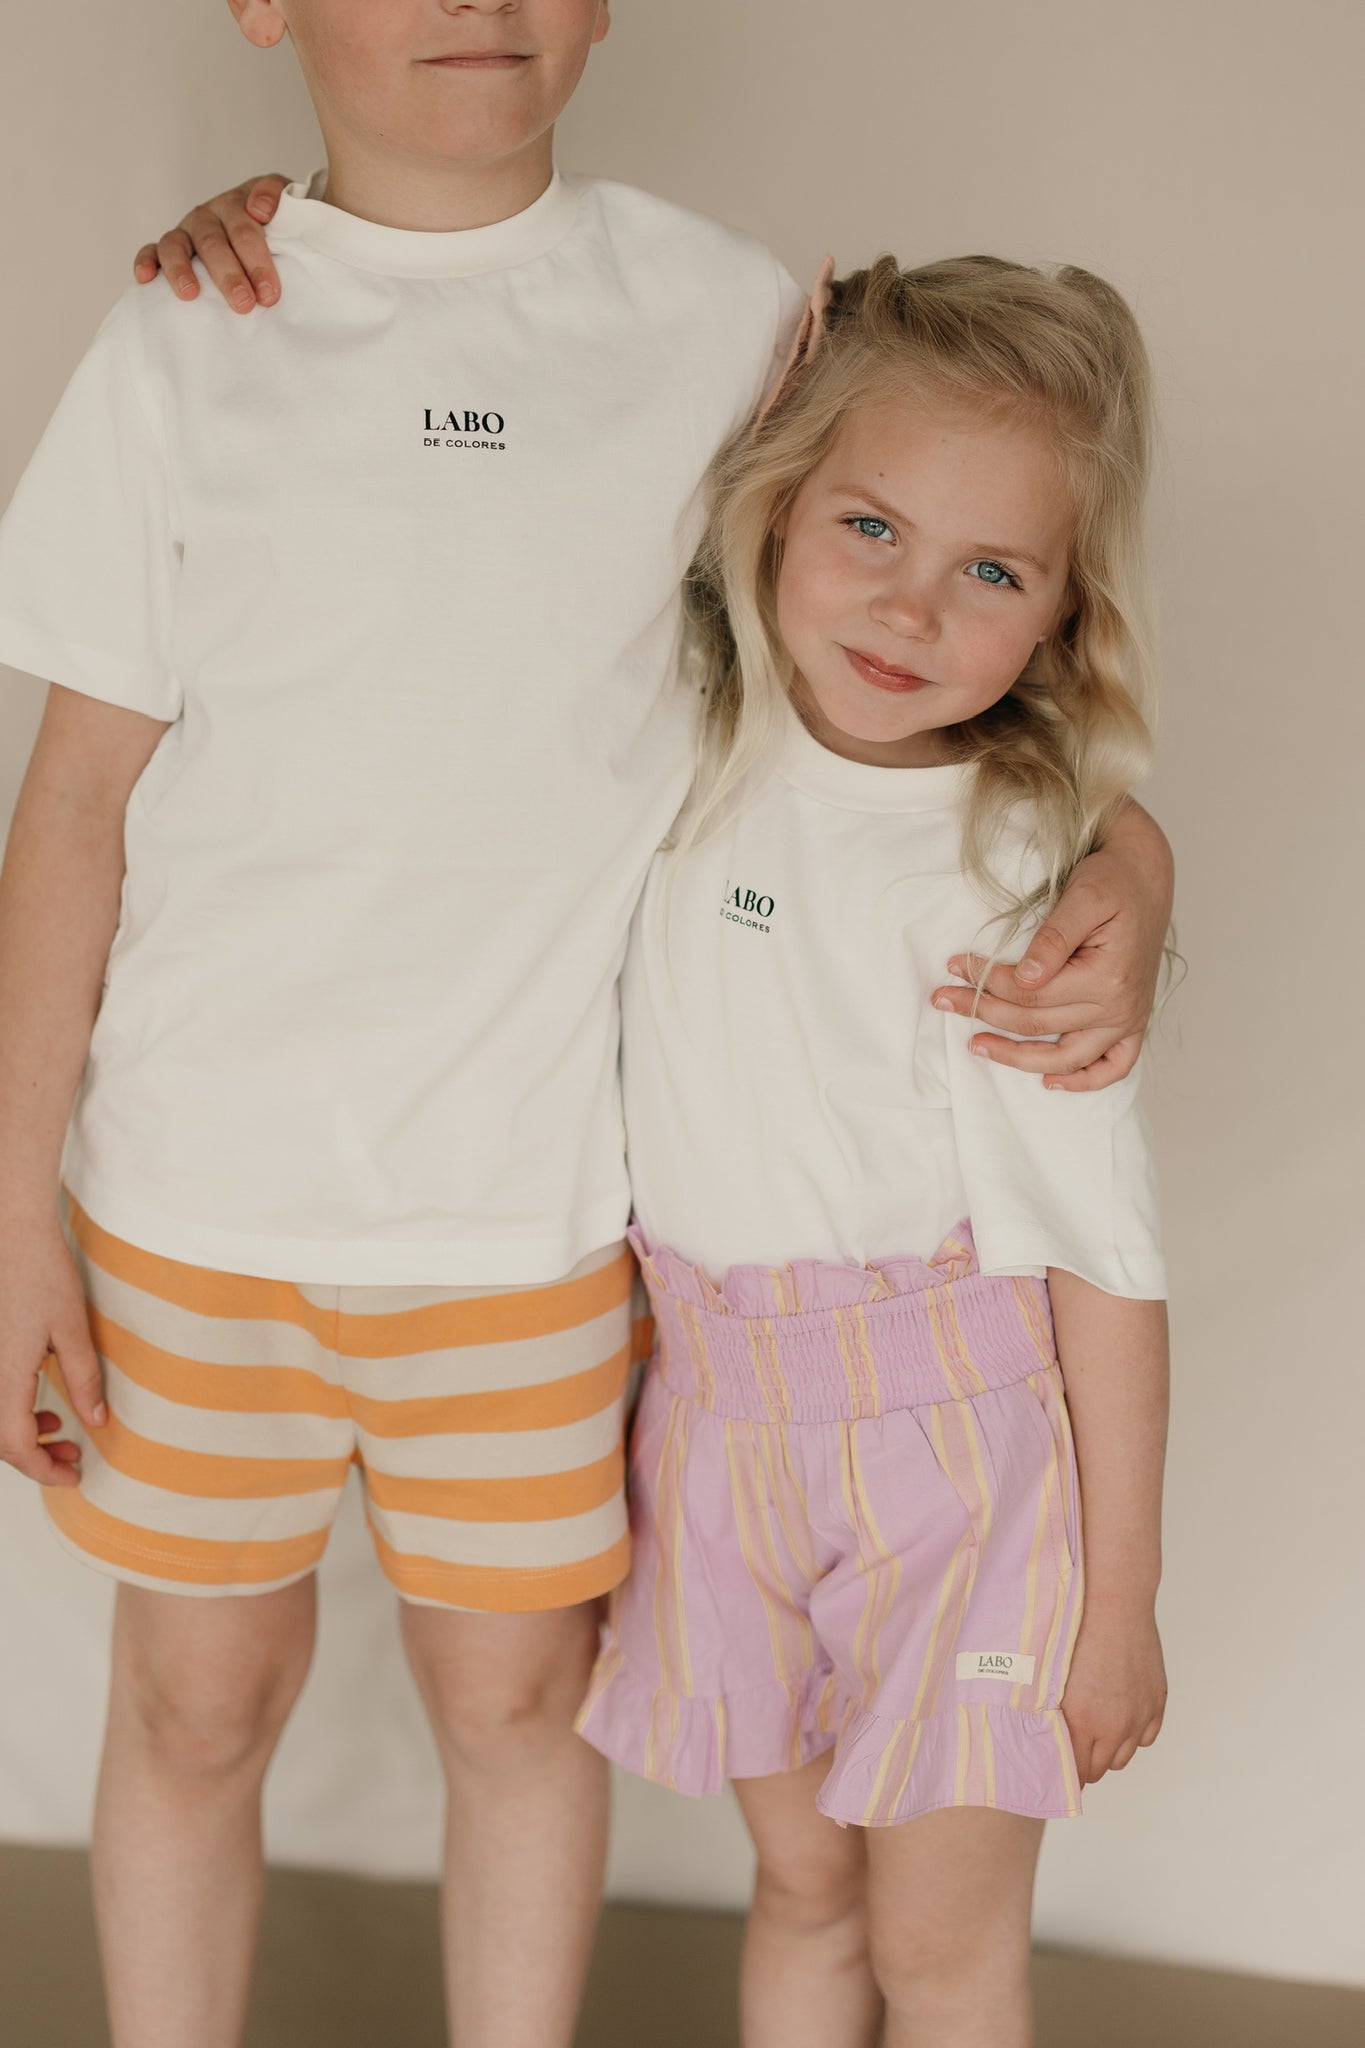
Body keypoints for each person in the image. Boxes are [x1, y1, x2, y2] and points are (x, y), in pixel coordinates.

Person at [0, 2, 1171, 2043]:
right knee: (193, 1704)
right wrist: (17, 1211)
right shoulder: (191, 330)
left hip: (535, 1228)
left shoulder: (737, 321)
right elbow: (74, 802)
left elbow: (961, 618)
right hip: (188, 1212)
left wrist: (1129, 866)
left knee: (514, 1708)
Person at [573, 253, 1171, 2048]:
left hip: (958, 1475)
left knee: (940, 1944)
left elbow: (1102, 1266)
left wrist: (1119, 1606)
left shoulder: (1018, 877)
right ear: (774, 505)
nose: (910, 606)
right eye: (870, 528)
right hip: (713, 1427)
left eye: (991, 571)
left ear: (1056, 617)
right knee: (804, 1890)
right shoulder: (677, 741)